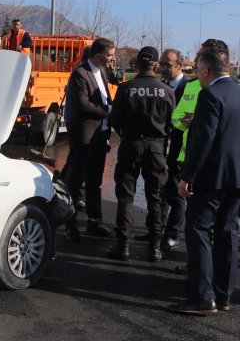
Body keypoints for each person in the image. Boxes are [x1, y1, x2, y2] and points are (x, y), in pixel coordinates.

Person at [172, 43, 240, 315]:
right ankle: (224, 296)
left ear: (206, 69)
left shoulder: (210, 95)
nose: (197, 74)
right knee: (228, 233)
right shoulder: (238, 92)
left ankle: (202, 297)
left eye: (199, 69)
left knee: (198, 230)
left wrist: (187, 176)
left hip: (211, 178)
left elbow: (203, 141)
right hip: (236, 178)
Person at [108, 46, 175, 261]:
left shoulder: (126, 88)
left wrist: (126, 134)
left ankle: (123, 246)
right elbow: (172, 122)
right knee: (155, 197)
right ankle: (155, 248)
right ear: (155, 66)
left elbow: (115, 120)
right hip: (156, 147)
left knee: (125, 196)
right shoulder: (167, 91)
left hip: (131, 144)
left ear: (136, 65)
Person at [61, 37, 116, 241]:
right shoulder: (79, 73)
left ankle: (95, 221)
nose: (112, 59)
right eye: (110, 55)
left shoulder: (102, 72)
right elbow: (83, 106)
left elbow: (104, 98)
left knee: (95, 181)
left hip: (100, 136)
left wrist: (107, 132)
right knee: (76, 182)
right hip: (84, 138)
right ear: (97, 54)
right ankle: (70, 223)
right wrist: (109, 111)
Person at [137, 48, 188, 252]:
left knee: (176, 195)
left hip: (179, 151)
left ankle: (172, 235)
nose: (163, 68)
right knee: (159, 192)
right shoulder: (162, 86)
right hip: (160, 150)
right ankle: (155, 230)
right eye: (162, 63)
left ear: (180, 66)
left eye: (168, 64)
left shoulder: (189, 88)